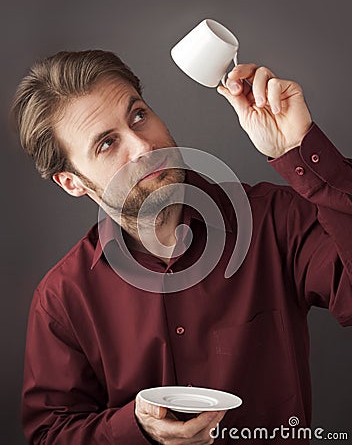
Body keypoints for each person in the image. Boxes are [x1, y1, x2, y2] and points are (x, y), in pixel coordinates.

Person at [12, 50, 352, 445]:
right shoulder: (62, 299)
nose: (141, 147)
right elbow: (51, 433)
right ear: (72, 182)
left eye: (138, 115)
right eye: (107, 143)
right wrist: (135, 430)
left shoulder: (273, 220)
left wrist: (299, 149)